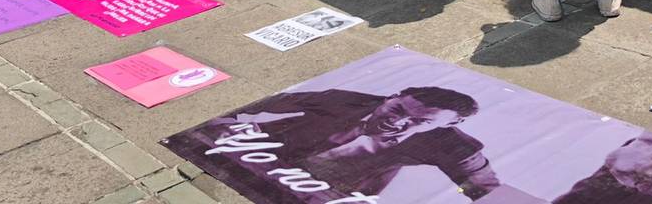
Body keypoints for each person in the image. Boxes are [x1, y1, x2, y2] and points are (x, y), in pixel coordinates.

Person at [168, 86, 499, 199]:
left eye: (419, 122)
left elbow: (489, 193)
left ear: (449, 124)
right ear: (394, 96)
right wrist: (229, 125)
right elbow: (260, 107)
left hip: (327, 191)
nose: (396, 122)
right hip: (265, 157)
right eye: (397, 109)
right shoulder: (343, 100)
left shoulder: (452, 145)